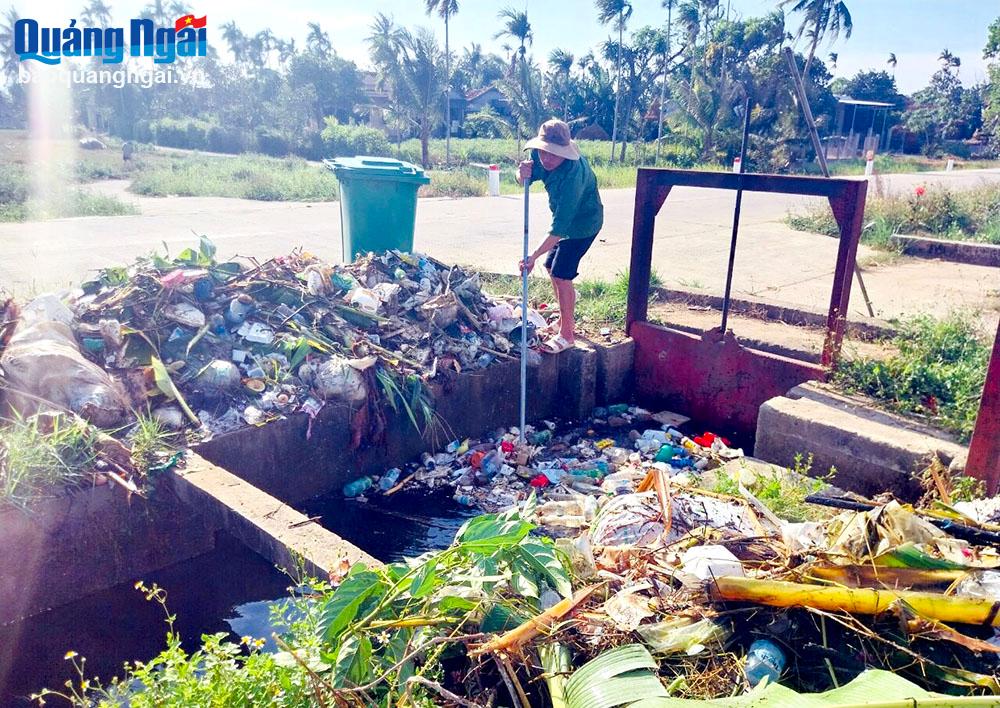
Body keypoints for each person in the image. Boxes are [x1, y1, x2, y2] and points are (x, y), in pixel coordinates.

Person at [517, 119, 604, 354]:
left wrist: (532, 254)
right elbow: (524, 177)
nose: (546, 159)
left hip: (584, 225)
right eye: (544, 152)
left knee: (561, 274)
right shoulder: (540, 154)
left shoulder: (573, 178)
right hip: (565, 223)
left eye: (553, 155)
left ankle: (567, 335)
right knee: (550, 266)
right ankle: (563, 321)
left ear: (565, 153)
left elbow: (559, 228)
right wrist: (521, 173)